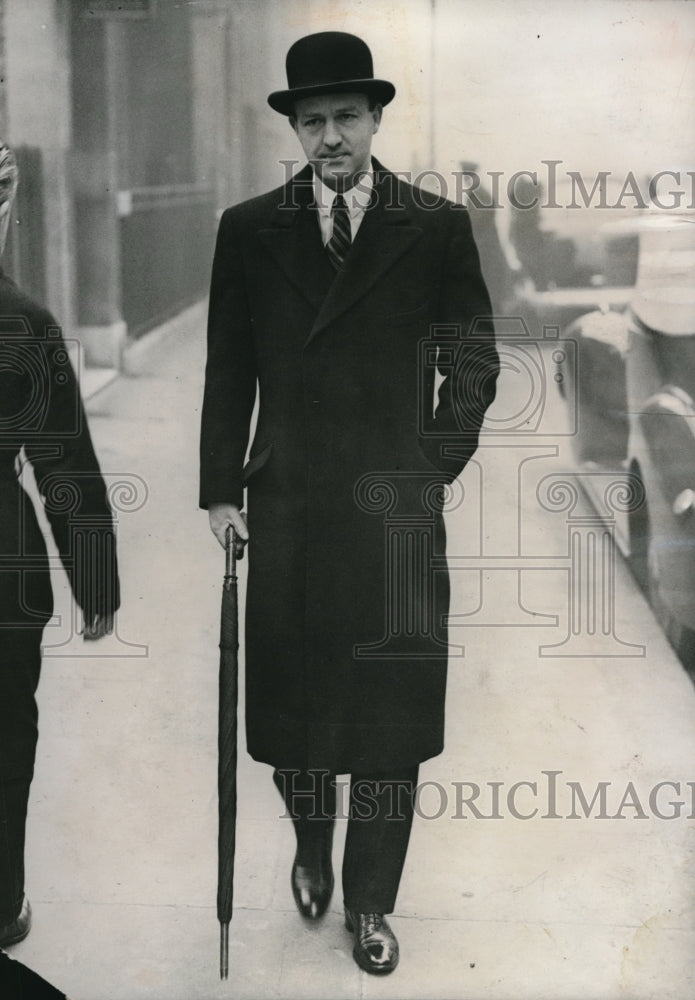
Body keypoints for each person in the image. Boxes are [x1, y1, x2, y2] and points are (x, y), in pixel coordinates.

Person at [199, 31, 499, 974]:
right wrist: (219, 490)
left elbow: (474, 359)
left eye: (346, 118)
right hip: (287, 501)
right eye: (313, 120)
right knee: (293, 705)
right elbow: (227, 368)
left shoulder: (434, 224)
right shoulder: (249, 228)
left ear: (375, 120)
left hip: (391, 511)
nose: (330, 137)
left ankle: (372, 904)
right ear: (294, 127)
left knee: (389, 712)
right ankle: (310, 846)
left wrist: (431, 464)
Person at [0, 139, 119, 968]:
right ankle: (1, 900)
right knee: (7, 737)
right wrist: (95, 579)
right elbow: (62, 458)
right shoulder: (23, 320)